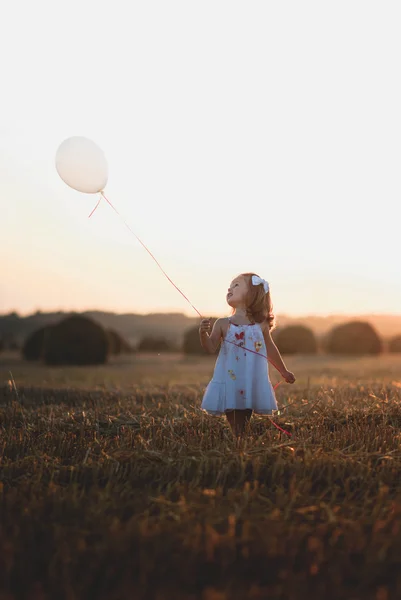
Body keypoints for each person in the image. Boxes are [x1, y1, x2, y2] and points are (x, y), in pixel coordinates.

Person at [199, 272, 296, 438]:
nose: (230, 288)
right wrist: (203, 334)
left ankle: (241, 433)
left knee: (246, 403)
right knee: (233, 402)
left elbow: (270, 348)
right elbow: (210, 347)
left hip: (251, 375)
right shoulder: (223, 323)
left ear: (252, 294)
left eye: (236, 285)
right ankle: (238, 433)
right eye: (229, 286)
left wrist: (283, 371)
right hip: (230, 375)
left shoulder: (261, 324)